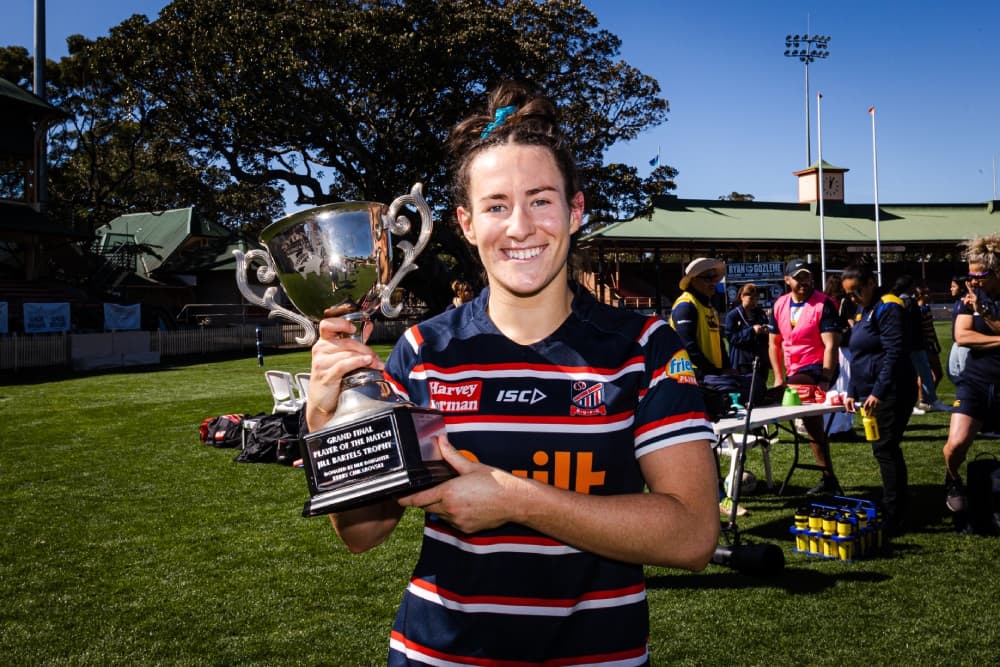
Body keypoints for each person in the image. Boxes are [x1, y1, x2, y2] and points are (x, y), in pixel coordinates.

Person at [305, 81, 719, 665]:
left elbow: (694, 535)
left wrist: (517, 500)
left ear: (575, 211)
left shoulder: (645, 348)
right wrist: (325, 415)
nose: (521, 226)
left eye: (541, 199)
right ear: (467, 223)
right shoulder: (424, 350)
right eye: (496, 205)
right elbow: (361, 534)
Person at [841, 264, 917, 535]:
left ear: (872, 282)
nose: (852, 298)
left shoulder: (889, 307)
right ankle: (893, 506)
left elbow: (894, 353)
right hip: (870, 391)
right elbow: (858, 354)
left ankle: (895, 513)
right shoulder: (865, 309)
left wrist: (878, 392)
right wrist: (852, 390)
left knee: (886, 448)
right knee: (883, 449)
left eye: (856, 291)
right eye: (848, 294)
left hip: (891, 391)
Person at [768, 258, 842, 494]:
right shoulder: (779, 304)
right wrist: (779, 377)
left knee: (812, 424)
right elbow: (774, 344)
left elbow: (831, 345)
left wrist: (825, 379)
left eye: (807, 277)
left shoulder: (824, 304)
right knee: (812, 427)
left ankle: (828, 478)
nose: (803, 282)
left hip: (816, 367)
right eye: (798, 277)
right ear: (787, 280)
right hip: (792, 371)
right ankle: (828, 478)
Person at [942, 234, 1000, 515]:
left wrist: (984, 312)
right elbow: (962, 336)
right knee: (954, 446)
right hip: (974, 380)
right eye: (970, 275)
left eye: (981, 275)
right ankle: (953, 480)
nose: (973, 281)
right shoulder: (967, 299)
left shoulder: (980, 302)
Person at [670, 257, 737, 385]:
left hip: (711, 377)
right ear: (693, 281)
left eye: (715, 278)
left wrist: (726, 369)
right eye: (708, 278)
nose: (714, 282)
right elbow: (689, 347)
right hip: (693, 380)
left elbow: (719, 343)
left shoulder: (710, 308)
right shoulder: (686, 305)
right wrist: (716, 372)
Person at [892, 275, 949, 414]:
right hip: (915, 345)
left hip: (910, 345)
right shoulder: (909, 302)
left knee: (920, 374)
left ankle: (925, 401)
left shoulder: (899, 301)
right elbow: (914, 327)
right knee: (919, 374)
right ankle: (925, 401)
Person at [822, 273, 859, 440]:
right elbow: (852, 324)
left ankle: (832, 426)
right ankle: (841, 427)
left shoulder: (824, 302)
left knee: (833, 389)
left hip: (829, 347)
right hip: (843, 347)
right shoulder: (844, 302)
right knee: (844, 388)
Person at [723, 282, 769, 402]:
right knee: (746, 393)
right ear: (742, 296)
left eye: (756, 298)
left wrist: (765, 331)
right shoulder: (733, 316)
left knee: (761, 392)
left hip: (760, 359)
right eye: (751, 298)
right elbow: (732, 338)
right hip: (742, 361)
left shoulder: (760, 314)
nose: (754, 301)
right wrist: (751, 331)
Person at [915, 285, 945, 408]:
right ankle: (923, 400)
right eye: (927, 293)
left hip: (931, 344)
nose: (930, 295)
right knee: (923, 373)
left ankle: (928, 397)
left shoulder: (926, 308)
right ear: (921, 295)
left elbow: (931, 328)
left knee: (938, 373)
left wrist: (936, 342)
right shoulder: (917, 310)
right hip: (924, 345)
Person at [947, 274, 970, 387]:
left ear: (961, 287)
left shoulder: (967, 300)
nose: (951, 289)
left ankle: (967, 399)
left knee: (964, 371)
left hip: (965, 342)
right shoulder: (957, 301)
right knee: (952, 370)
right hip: (957, 341)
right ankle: (962, 395)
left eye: (953, 286)